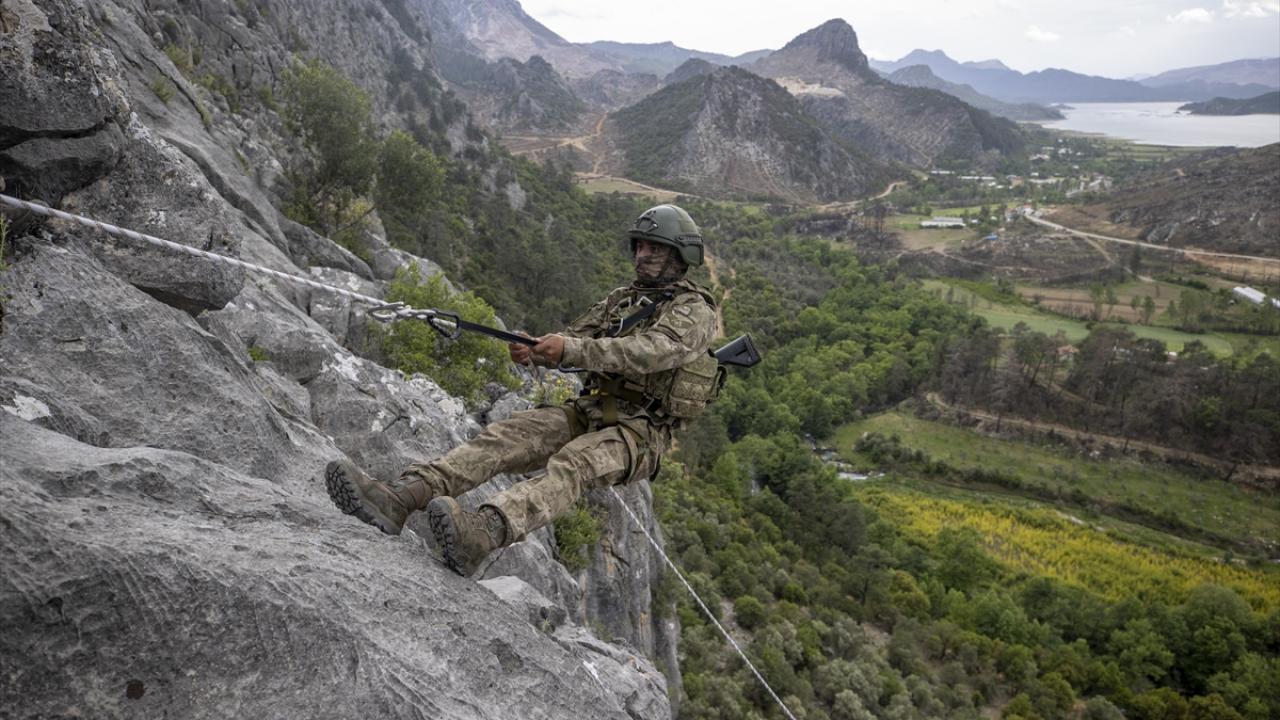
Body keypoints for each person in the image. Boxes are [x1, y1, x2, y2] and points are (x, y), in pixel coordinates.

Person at [325, 204, 720, 576]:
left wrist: (569, 349)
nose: (642, 254)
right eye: (640, 245)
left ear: (679, 255)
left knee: (574, 465)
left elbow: (650, 352)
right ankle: (400, 498)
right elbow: (573, 338)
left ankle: (482, 535)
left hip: (638, 433)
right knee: (507, 435)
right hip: (593, 409)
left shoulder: (694, 310)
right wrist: (536, 348)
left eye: (654, 248)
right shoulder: (623, 300)